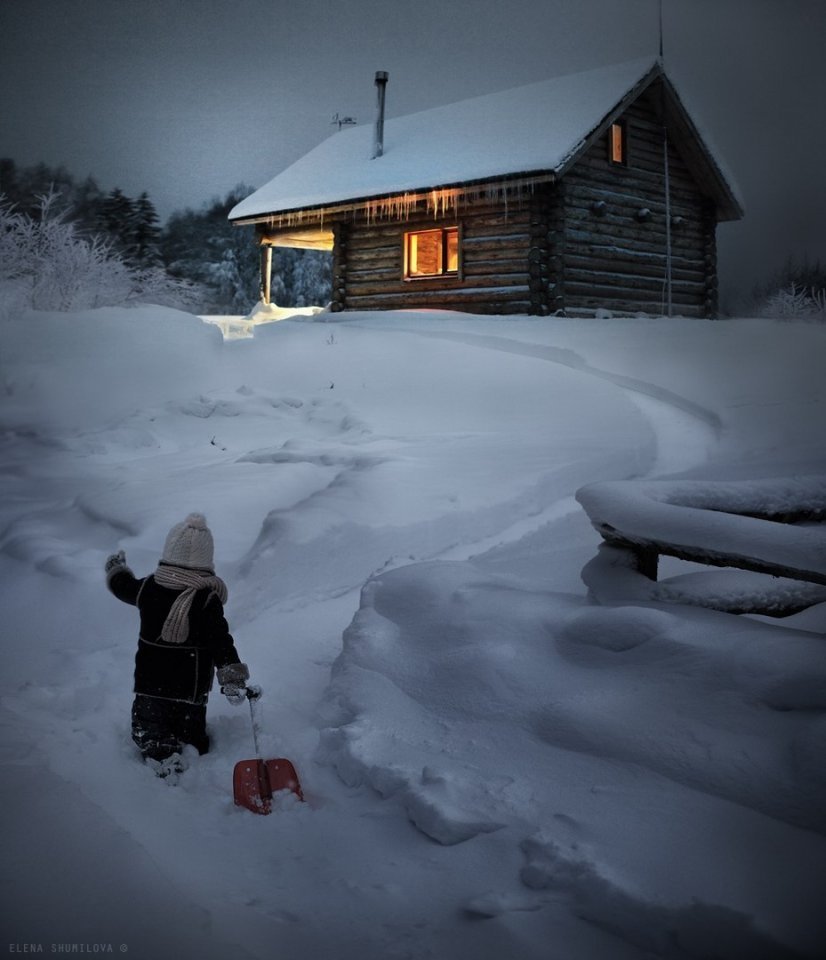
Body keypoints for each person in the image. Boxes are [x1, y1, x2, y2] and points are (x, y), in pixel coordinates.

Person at [105, 513, 250, 775]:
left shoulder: (149, 587)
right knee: (191, 734)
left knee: (150, 728)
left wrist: (116, 568)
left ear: (169, 552)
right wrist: (232, 678)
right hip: (190, 690)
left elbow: (122, 586)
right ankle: (191, 757)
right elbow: (220, 641)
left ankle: (160, 755)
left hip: (151, 686)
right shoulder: (206, 598)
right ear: (206, 560)